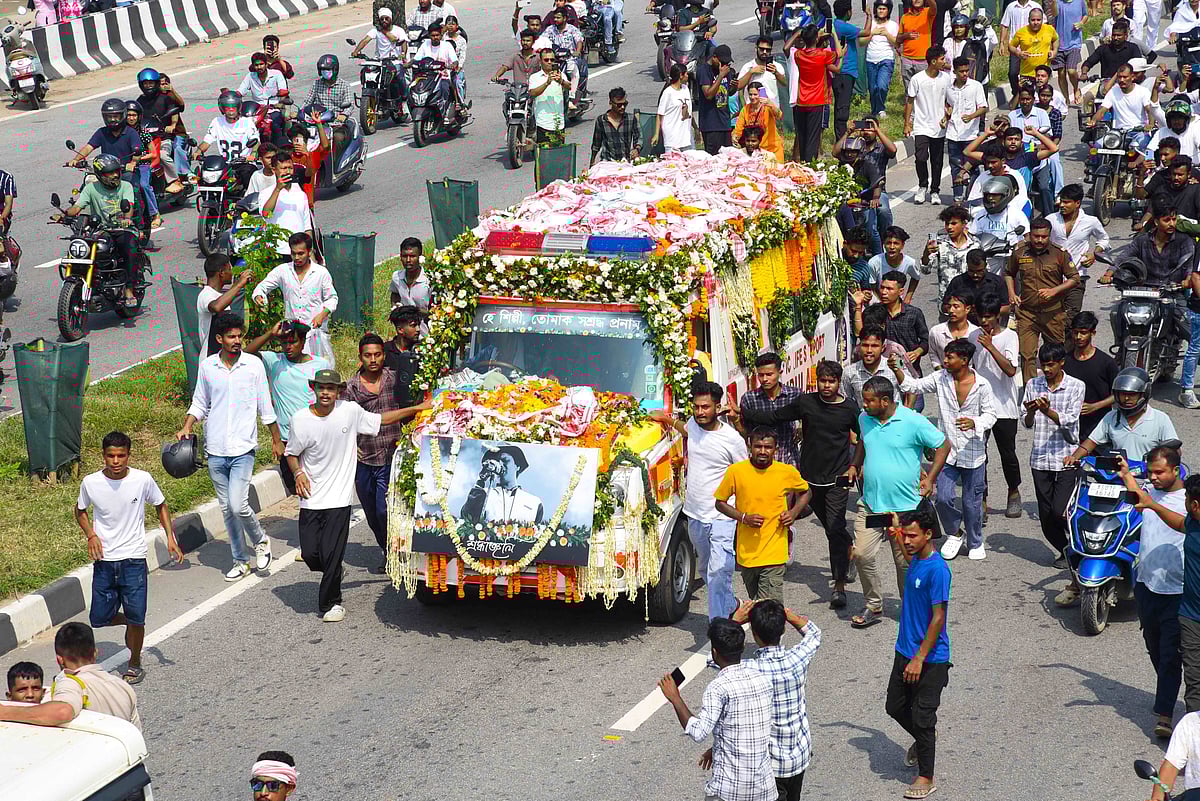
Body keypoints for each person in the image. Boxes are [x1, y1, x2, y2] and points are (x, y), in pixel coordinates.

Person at [287, 369, 426, 622]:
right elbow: (291, 453)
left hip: (339, 499)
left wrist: (417, 409)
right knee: (310, 555)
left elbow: (382, 419)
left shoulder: (349, 411)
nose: (326, 392)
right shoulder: (299, 419)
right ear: (314, 389)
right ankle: (332, 570)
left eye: (331, 388)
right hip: (311, 498)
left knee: (331, 554)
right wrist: (298, 473)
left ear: (339, 391)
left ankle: (332, 603)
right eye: (321, 388)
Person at [736, 360, 861, 608]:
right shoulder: (807, 403)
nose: (826, 386)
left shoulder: (849, 409)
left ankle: (838, 586)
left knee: (835, 529)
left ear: (838, 383)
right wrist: (741, 414)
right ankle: (848, 549)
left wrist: (854, 465)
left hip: (837, 480)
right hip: (809, 481)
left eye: (831, 381)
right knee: (831, 529)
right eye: (822, 381)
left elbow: (864, 439)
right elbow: (773, 416)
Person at [178, 311, 282, 582]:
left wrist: (275, 438)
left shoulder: (253, 365)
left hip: (243, 449)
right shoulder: (208, 367)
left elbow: (265, 405)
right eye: (231, 336)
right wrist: (188, 425)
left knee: (238, 505)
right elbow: (200, 402)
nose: (237, 341)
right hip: (215, 450)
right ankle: (239, 560)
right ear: (219, 339)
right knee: (227, 509)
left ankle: (260, 540)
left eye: (239, 336)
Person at [75, 431, 182, 685]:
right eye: (110, 456)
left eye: (120, 455)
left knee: (137, 616)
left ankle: (134, 661)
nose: (115, 461)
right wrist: (91, 535)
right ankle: (132, 622)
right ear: (103, 456)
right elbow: (79, 510)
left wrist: (170, 538)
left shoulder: (141, 479)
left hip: (134, 559)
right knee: (99, 618)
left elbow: (161, 504)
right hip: (104, 561)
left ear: (128, 456)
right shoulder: (91, 483)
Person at [845, 376, 949, 629]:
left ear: (885, 401)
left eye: (869, 401)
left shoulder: (912, 420)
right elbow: (862, 443)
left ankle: (910, 606)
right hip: (870, 504)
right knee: (861, 554)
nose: (864, 405)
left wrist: (931, 478)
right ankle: (873, 604)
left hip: (905, 509)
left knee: (905, 562)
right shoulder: (864, 418)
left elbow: (943, 445)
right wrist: (854, 465)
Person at [649, 383, 747, 620]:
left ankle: (718, 627)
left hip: (722, 516)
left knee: (717, 572)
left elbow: (745, 474)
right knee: (704, 570)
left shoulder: (731, 439)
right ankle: (731, 603)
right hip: (695, 514)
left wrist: (745, 514)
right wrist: (665, 419)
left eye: (706, 407)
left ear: (717, 407)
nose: (700, 412)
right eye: (696, 407)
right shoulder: (694, 425)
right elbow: (686, 429)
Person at [894, 338, 996, 561]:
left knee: (972, 503)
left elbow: (991, 415)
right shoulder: (940, 378)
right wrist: (897, 370)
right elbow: (912, 386)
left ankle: (975, 540)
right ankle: (954, 532)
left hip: (973, 454)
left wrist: (975, 423)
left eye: (950, 357)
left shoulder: (982, 385)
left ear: (964, 360)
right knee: (943, 498)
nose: (945, 360)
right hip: (948, 454)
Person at [658, 618, 775, 801]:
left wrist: (675, 698)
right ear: (742, 648)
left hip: (729, 791)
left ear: (714, 652)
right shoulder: (761, 678)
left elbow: (698, 732)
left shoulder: (718, 687)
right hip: (764, 788)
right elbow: (748, 726)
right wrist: (717, 747)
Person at [1120, 445, 1188, 738]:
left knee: (1170, 653)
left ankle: (1164, 714)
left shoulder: (1189, 502)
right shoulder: (1149, 491)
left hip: (1178, 591)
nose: (1154, 477)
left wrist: (1151, 503)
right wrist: (1126, 475)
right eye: (1150, 473)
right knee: (1154, 646)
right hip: (1147, 587)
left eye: (1160, 472)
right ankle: (1171, 692)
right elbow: (1139, 492)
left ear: (1176, 470)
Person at [886, 506, 952, 800]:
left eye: (912, 535)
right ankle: (925, 739)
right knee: (895, 706)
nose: (907, 540)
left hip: (930, 658)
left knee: (923, 717)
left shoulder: (938, 570)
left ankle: (926, 775)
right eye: (905, 535)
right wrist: (896, 535)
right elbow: (908, 556)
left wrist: (919, 658)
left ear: (928, 534)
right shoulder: (916, 559)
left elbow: (938, 618)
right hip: (905, 650)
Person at [732, 599, 822, 800]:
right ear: (782, 630)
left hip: (770, 765)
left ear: (754, 634)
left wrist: (735, 622)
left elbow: (716, 656)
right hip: (798, 757)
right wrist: (788, 614)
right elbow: (814, 634)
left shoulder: (749, 669)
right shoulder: (796, 659)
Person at [714, 428, 811, 603]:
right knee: (758, 605)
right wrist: (744, 518)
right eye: (758, 446)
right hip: (747, 554)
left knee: (769, 607)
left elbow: (806, 492)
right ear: (749, 446)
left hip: (774, 552)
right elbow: (720, 503)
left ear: (776, 450)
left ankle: (773, 628)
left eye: (768, 447)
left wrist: (793, 513)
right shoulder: (736, 472)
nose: (763, 451)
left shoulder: (786, 472)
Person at [1022, 342, 1085, 591]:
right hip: (1040, 458)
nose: (1046, 369)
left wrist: (1048, 411)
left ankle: (1078, 548)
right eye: (1043, 364)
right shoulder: (1032, 385)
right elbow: (1026, 422)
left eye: (1051, 364)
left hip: (1067, 457)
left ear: (1061, 363)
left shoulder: (1076, 386)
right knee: (1046, 516)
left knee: (1061, 511)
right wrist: (1030, 412)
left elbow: (1070, 421)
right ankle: (1066, 550)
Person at [342, 334, 405, 572]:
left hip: (392, 456)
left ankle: (397, 551)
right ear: (360, 358)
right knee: (371, 512)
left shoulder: (396, 380)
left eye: (377, 354)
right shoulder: (350, 388)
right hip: (364, 459)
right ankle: (387, 549)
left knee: (384, 509)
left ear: (384, 355)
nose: (373, 359)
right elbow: (343, 422)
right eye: (368, 355)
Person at [0, 623, 140, 729]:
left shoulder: (71, 683)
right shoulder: (123, 686)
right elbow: (135, 733)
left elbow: (62, 711)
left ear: (59, 660)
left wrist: (5, 712)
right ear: (95, 653)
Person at [244, 320, 328, 496]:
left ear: (303, 342)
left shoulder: (320, 365)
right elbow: (246, 353)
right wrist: (270, 334)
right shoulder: (274, 361)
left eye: (293, 342)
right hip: (287, 440)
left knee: (318, 487)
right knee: (296, 488)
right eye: (284, 343)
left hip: (314, 436)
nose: (288, 347)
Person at [53, 155, 140, 308]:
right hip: (102, 230)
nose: (115, 175)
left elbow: (129, 206)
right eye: (109, 173)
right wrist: (64, 215)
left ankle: (129, 289)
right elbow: (78, 207)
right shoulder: (91, 188)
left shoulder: (126, 186)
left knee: (129, 247)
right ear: (100, 175)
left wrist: (126, 218)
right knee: (83, 245)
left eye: (116, 171)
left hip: (123, 228)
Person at [1005, 218, 1078, 382]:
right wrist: (1011, 292)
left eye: (1043, 237)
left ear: (1049, 236)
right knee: (1027, 355)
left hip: (1053, 313)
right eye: (1036, 236)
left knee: (1056, 355)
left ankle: (1056, 388)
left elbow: (1074, 278)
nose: (1039, 240)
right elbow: (1009, 273)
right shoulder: (1020, 253)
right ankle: (1030, 392)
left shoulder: (1060, 254)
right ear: (1030, 234)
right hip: (1027, 313)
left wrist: (1054, 291)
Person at [973, 292, 1023, 519]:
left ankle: (1013, 491)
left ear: (996, 317)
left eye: (988, 317)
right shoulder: (972, 336)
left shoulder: (1010, 337)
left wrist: (991, 347)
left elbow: (1011, 370)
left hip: (1004, 406)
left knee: (1007, 454)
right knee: (978, 454)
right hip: (979, 407)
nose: (984, 322)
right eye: (980, 317)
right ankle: (980, 499)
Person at [1066, 367, 1179, 469]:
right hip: (1117, 476)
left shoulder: (1160, 419)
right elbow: (1091, 442)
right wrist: (1074, 457)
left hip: (1147, 479)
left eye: (1132, 394)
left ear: (1144, 394)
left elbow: (1175, 451)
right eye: (1122, 394)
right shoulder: (1111, 417)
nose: (1126, 398)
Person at [252, 233, 337, 366]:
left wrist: (322, 314)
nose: (297, 257)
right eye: (293, 253)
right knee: (294, 369)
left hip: (314, 333)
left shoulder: (321, 273)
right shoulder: (283, 271)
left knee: (317, 369)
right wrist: (259, 296)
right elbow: (263, 286)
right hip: (292, 333)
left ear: (309, 252)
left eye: (301, 253)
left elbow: (332, 298)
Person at [1047, 183, 1107, 322]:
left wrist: (1094, 254)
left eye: (1066, 202)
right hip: (1052, 277)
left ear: (1077, 203)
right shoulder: (1051, 219)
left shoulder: (1090, 222)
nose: (1062, 205)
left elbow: (1103, 239)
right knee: (1052, 320)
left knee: (1070, 319)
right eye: (1061, 201)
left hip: (1077, 277)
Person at [905, 46, 951, 206]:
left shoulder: (946, 78)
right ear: (933, 61)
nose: (944, 62)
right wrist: (907, 124)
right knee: (921, 157)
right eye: (942, 59)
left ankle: (935, 190)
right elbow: (910, 101)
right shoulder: (917, 79)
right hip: (921, 125)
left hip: (939, 127)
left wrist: (947, 116)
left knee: (937, 160)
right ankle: (922, 186)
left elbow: (950, 102)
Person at [1063, 311, 1119, 441]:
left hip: (1099, 427)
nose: (1078, 337)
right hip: (1070, 428)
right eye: (1075, 332)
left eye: (1083, 333)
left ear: (1092, 333)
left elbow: (1118, 394)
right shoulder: (1065, 361)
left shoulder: (1106, 363)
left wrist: (1095, 406)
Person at [789, 23, 842, 163]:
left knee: (802, 134)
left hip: (801, 100)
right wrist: (833, 35)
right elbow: (839, 54)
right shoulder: (823, 54)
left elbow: (785, 48)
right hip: (817, 100)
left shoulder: (798, 55)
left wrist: (797, 33)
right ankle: (809, 164)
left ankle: (802, 163)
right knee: (813, 136)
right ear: (816, 38)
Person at [739, 352, 802, 467]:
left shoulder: (794, 394)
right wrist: (735, 419)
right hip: (761, 465)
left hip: (789, 460)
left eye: (769, 374)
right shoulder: (749, 399)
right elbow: (745, 432)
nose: (764, 379)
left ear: (780, 372)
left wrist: (801, 427)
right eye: (761, 375)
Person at [459, 444, 545, 524]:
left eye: (505, 460)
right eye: (496, 461)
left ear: (517, 466)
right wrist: (481, 479)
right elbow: (467, 518)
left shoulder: (534, 502)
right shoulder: (483, 494)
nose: (500, 465)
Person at [135, 67, 189, 192]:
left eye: (151, 83)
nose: (148, 86)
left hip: (164, 137)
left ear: (156, 83)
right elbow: (136, 116)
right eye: (145, 83)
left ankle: (175, 180)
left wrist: (172, 125)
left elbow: (175, 111)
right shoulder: (140, 100)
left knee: (163, 155)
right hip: (147, 137)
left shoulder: (166, 98)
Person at [945, 57, 988, 205]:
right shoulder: (948, 88)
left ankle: (973, 196)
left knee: (973, 166)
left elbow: (983, 107)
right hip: (952, 133)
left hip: (970, 134)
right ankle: (957, 197)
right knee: (955, 166)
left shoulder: (976, 86)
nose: (964, 74)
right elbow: (947, 105)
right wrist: (946, 116)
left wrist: (971, 116)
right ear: (954, 71)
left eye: (966, 70)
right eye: (961, 71)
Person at [879, 270, 930, 392]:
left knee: (913, 408)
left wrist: (917, 352)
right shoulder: (876, 313)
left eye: (889, 289)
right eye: (882, 288)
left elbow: (925, 341)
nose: (884, 292)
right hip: (883, 373)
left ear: (900, 291)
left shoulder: (914, 313)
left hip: (910, 371)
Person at [921, 205, 980, 307]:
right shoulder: (939, 243)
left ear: (964, 224)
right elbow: (925, 270)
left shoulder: (975, 244)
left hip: (970, 302)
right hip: (947, 303)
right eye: (947, 223)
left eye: (953, 223)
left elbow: (983, 271)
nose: (949, 227)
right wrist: (926, 253)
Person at [843, 324, 911, 405]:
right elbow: (847, 401)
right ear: (859, 346)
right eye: (865, 345)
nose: (869, 350)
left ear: (883, 347)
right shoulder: (849, 372)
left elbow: (911, 389)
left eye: (874, 346)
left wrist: (907, 412)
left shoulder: (897, 364)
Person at [197, 255, 249, 360]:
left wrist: (237, 284)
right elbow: (216, 307)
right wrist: (239, 284)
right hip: (211, 359)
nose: (232, 273)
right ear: (221, 273)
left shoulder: (217, 296)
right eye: (229, 270)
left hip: (223, 359)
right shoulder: (206, 294)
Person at [124, 102, 160, 231]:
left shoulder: (143, 133)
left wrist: (138, 159)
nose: (131, 118)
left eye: (134, 115)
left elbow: (153, 154)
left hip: (142, 166)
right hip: (125, 167)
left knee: (144, 185)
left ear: (139, 117)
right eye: (128, 115)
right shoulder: (121, 132)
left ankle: (155, 214)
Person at [1001, 0, 1046, 98]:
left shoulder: (1035, 6)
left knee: (1035, 75)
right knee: (1013, 73)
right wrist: (1002, 43)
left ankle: (1037, 97)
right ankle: (1017, 94)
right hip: (1016, 48)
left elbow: (1044, 26)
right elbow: (1004, 25)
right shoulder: (1011, 7)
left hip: (1033, 47)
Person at [863, 0, 900, 118]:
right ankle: (875, 110)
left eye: (884, 9)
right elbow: (861, 41)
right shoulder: (871, 23)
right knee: (873, 88)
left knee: (882, 86)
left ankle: (881, 108)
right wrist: (872, 33)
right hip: (870, 58)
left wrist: (887, 34)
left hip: (886, 59)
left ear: (888, 10)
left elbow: (897, 44)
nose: (881, 11)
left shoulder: (893, 25)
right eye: (879, 8)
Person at [697, 44, 735, 155]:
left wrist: (734, 86)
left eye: (727, 63)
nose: (724, 65)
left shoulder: (725, 70)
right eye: (722, 62)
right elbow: (708, 94)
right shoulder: (703, 71)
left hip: (725, 122)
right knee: (714, 159)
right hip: (711, 124)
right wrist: (720, 76)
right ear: (714, 57)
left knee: (728, 157)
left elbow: (728, 92)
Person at [830, 0, 861, 140]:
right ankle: (841, 140)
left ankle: (840, 136)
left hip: (840, 72)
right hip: (845, 72)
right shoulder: (844, 27)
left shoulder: (834, 25)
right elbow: (866, 32)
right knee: (842, 108)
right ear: (848, 12)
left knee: (840, 105)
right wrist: (869, 16)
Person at [867, 226, 922, 301]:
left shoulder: (910, 263)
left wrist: (908, 298)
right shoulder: (874, 262)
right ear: (884, 244)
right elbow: (872, 287)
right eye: (888, 243)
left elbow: (916, 277)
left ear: (902, 245)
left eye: (896, 243)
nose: (892, 247)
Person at [927, 288, 978, 367]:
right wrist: (943, 374)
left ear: (967, 309)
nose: (951, 310)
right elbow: (933, 355)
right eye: (949, 306)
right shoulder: (936, 331)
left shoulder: (976, 333)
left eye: (956, 306)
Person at [733, 83, 785, 162]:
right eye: (750, 94)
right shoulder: (745, 110)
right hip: (756, 152)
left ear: (760, 94)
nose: (752, 97)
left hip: (773, 149)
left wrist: (771, 104)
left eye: (755, 94)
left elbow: (779, 115)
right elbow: (738, 129)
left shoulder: (767, 107)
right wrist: (735, 136)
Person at [1010, 8, 1059, 89]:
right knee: (1026, 99)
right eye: (1033, 20)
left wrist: (1054, 51)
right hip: (1026, 74)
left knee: (1042, 98)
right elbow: (1011, 46)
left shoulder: (1049, 29)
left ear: (1042, 20)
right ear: (1028, 20)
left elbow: (1056, 39)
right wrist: (1018, 53)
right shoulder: (1021, 32)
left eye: (1038, 20)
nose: (1035, 23)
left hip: (1043, 74)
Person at [1050, 0, 1088, 104]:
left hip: (1074, 43)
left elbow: (1085, 15)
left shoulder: (1080, 2)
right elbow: (1053, 14)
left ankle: (1076, 88)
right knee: (1061, 73)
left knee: (1071, 71)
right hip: (1059, 44)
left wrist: (1081, 23)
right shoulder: (1057, 2)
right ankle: (1066, 99)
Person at [530, 47, 571, 143]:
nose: (549, 62)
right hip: (543, 123)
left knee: (559, 154)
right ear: (540, 61)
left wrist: (561, 81)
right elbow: (533, 93)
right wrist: (546, 83)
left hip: (559, 123)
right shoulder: (535, 77)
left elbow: (569, 86)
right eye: (546, 60)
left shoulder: (561, 75)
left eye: (552, 60)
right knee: (544, 154)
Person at [738, 35, 788, 112]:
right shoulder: (748, 67)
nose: (764, 52)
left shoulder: (777, 66)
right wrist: (751, 72)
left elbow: (784, 83)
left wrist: (776, 73)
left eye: (767, 50)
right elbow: (738, 86)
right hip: (753, 112)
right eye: (762, 49)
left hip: (771, 110)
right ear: (756, 48)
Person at [384, 306, 423, 405]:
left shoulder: (423, 350)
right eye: (413, 326)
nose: (418, 329)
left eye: (418, 325)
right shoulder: (385, 351)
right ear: (400, 330)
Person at [303, 54, 355, 126]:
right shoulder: (316, 83)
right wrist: (301, 111)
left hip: (336, 121)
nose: (325, 72)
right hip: (318, 119)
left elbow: (350, 105)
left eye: (327, 69)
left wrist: (344, 115)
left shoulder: (344, 85)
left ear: (335, 70)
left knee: (338, 137)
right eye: (323, 70)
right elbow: (308, 101)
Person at [897, 0, 936, 90]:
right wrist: (906, 35)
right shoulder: (904, 17)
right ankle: (910, 104)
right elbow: (898, 39)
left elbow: (934, 7)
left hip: (923, 60)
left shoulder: (927, 13)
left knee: (924, 91)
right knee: (909, 91)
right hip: (907, 60)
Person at [388, 237, 431, 315]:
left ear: (419, 256)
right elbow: (395, 293)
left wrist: (410, 310)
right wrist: (395, 307)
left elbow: (435, 313)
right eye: (405, 256)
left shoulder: (429, 280)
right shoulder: (397, 277)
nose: (408, 260)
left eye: (412, 256)